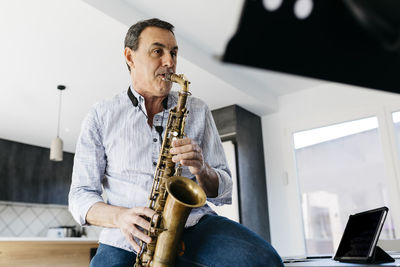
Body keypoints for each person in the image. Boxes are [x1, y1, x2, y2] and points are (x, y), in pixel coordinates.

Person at [69, 18, 283, 267]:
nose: (169, 62)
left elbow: (222, 189)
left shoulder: (198, 109)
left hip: (193, 224)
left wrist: (202, 169)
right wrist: (120, 217)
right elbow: (80, 196)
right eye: (157, 51)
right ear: (130, 57)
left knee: (265, 261)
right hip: (125, 236)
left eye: (173, 53)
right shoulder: (100, 115)